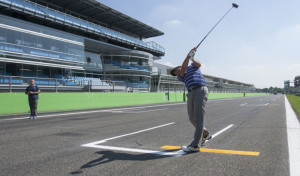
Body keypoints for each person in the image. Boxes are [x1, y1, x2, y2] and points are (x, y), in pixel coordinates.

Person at [170, 48, 212, 152]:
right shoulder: (180, 76)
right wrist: (188, 56)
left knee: (198, 118)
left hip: (200, 89)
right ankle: (205, 133)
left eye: (175, 70)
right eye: (175, 72)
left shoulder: (192, 66)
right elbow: (183, 68)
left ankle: (195, 145)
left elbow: (199, 64)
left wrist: (192, 57)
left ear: (179, 66)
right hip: (191, 93)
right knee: (191, 118)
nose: (176, 72)